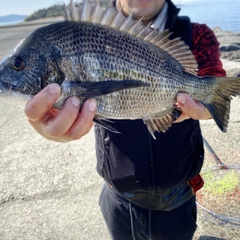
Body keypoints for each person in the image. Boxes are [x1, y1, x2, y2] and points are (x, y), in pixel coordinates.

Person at [24, 0, 226, 239]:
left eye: (19, 65)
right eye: (20, 65)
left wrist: (204, 108)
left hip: (178, 201)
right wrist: (49, 121)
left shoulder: (198, 35)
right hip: (116, 201)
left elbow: (216, 86)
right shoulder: (83, 29)